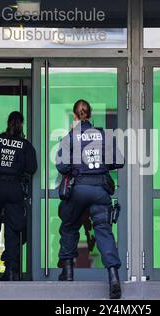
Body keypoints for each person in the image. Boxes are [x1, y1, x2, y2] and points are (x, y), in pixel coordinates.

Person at [56, 99, 124, 299]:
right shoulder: (103, 135)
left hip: (77, 189)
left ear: (75, 116)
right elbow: (118, 161)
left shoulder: (71, 136)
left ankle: (68, 272)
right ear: (90, 115)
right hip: (100, 190)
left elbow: (62, 167)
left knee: (69, 226)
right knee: (103, 231)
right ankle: (113, 277)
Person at [0, 111, 37, 281]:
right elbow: (32, 168)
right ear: (22, 125)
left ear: (8, 123)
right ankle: (10, 271)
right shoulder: (25, 145)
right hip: (14, 189)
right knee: (13, 231)